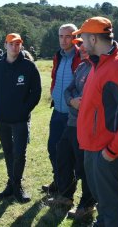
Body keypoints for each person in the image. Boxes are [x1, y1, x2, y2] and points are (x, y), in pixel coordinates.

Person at [74, 16, 118, 226]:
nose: (81, 43)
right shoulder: (99, 63)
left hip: (106, 150)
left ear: (94, 39)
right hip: (93, 146)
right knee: (103, 199)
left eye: (83, 38)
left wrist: (113, 151)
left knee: (112, 204)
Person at [0, 33, 41, 203]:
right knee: (8, 152)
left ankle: (16, 186)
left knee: (20, 153)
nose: (14, 47)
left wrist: (24, 111)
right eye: (11, 43)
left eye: (18, 44)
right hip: (1, 119)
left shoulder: (28, 67)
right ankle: (11, 184)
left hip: (20, 119)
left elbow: (36, 92)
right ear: (5, 45)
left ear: (21, 46)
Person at [46, 38, 96, 219]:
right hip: (72, 123)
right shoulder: (82, 66)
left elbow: (88, 97)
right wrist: (71, 100)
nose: (81, 48)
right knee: (62, 156)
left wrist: (76, 99)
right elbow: (69, 90)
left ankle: (87, 204)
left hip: (87, 125)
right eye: (79, 45)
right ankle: (66, 196)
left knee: (84, 166)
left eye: (84, 44)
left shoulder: (97, 68)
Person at [43, 23, 82, 194]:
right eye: (61, 36)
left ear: (75, 38)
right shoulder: (58, 56)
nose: (63, 40)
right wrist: (53, 91)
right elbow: (54, 77)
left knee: (69, 154)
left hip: (73, 115)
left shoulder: (81, 56)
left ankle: (66, 187)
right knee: (53, 148)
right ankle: (59, 180)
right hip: (57, 111)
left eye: (68, 36)